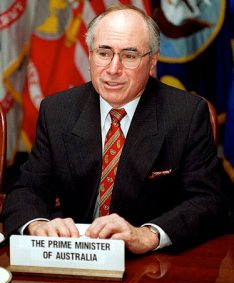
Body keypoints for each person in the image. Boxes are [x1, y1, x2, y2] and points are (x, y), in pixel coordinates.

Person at [3, 5, 227, 254]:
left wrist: (149, 234)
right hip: (75, 260)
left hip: (152, 266)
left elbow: (208, 201)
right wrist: (37, 225)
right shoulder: (57, 110)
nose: (113, 69)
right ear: (89, 55)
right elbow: (27, 189)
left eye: (129, 55)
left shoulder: (186, 115)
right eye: (104, 53)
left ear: (152, 60)